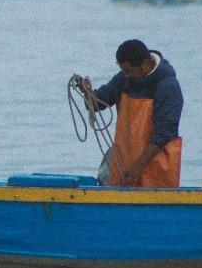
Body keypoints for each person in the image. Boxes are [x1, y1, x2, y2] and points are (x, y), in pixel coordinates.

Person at [71, 39, 183, 188]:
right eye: (123, 70)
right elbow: (98, 102)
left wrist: (137, 167)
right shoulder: (123, 79)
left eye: (129, 71)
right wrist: (87, 92)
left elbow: (164, 133)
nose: (126, 75)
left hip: (156, 165)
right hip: (125, 162)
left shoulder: (168, 86)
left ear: (145, 64)